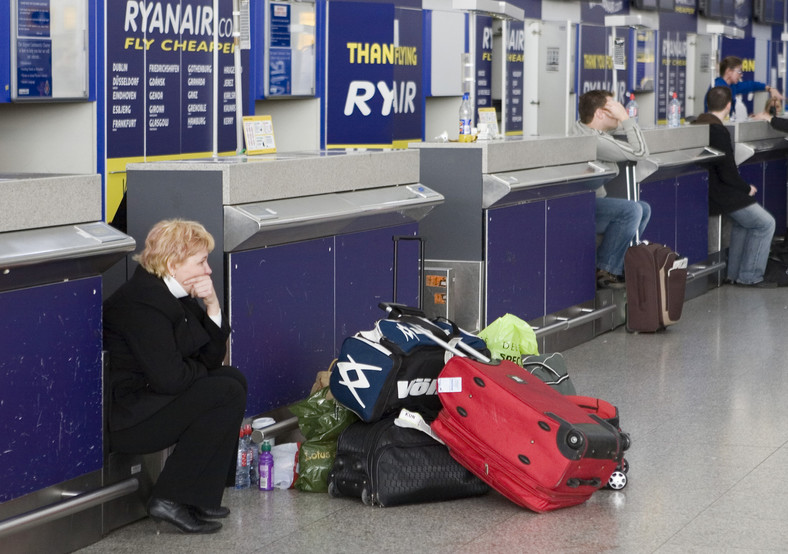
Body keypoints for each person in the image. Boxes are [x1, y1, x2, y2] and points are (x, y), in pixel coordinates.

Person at [103, 219, 248, 533]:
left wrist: (211, 305)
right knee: (225, 391)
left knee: (233, 379)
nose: (208, 270)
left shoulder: (172, 294)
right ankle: (170, 498)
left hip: (150, 401)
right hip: (130, 418)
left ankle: (200, 496)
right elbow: (171, 379)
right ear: (172, 263)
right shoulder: (142, 303)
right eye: (201, 262)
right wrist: (198, 369)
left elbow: (209, 358)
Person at [692, 86, 777, 287]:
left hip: (707, 190)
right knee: (765, 223)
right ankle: (750, 275)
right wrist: (747, 188)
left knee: (742, 224)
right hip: (721, 193)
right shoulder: (719, 131)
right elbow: (728, 172)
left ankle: (733, 274)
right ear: (729, 105)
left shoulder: (697, 124)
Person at [574, 89, 652, 288]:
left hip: (588, 202)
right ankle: (604, 268)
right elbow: (640, 151)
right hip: (581, 207)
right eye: (613, 107)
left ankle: (618, 264)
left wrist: (620, 119)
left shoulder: (586, 131)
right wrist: (626, 118)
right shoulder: (596, 140)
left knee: (643, 208)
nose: (619, 110)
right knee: (632, 210)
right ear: (600, 113)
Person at [711, 56, 783, 120]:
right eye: (739, 71)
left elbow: (751, 85)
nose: (741, 75)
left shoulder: (733, 86)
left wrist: (770, 89)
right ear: (729, 71)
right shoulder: (718, 89)